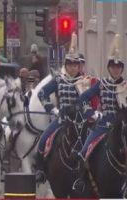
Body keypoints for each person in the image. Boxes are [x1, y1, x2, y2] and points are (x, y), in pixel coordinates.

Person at [72, 34, 126, 192]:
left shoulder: (125, 85)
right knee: (84, 151)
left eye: (119, 67)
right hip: (103, 125)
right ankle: (81, 181)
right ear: (109, 68)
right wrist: (92, 114)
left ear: (121, 68)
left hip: (122, 125)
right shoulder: (101, 84)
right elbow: (83, 98)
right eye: (113, 67)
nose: (116, 70)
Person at [34, 33, 88, 183]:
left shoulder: (85, 82)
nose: (72, 68)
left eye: (75, 65)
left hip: (80, 120)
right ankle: (40, 170)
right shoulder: (59, 79)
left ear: (79, 66)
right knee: (44, 139)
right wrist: (52, 110)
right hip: (63, 118)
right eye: (70, 64)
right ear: (66, 65)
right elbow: (42, 93)